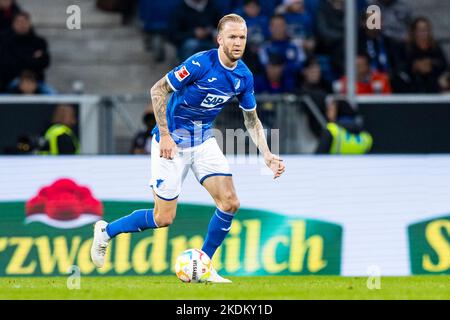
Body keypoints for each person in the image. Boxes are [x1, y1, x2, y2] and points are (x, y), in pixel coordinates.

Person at [91, 14, 285, 283]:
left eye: (242, 37)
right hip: (170, 142)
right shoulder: (199, 64)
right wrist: (167, 136)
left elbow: (251, 118)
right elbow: (158, 90)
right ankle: (106, 232)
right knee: (163, 218)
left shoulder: (244, 76)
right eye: (232, 37)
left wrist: (266, 153)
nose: (238, 42)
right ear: (220, 39)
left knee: (230, 203)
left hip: (203, 141)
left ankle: (203, 264)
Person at [0, 11, 50, 91]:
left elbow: (45, 63)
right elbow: (6, 64)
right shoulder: (4, 42)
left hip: (36, 83)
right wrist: (32, 59)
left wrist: (21, 59)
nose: (22, 25)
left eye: (24, 22)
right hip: (11, 82)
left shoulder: (39, 42)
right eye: (19, 22)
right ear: (13, 24)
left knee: (56, 99)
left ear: (29, 23)